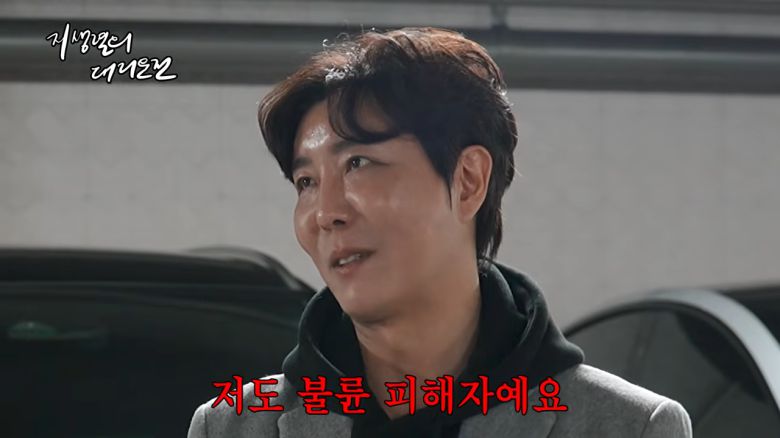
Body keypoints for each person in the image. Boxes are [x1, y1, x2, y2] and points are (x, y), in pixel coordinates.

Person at [187, 27, 692, 438]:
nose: (325, 212)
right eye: (306, 182)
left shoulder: (627, 426)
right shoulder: (233, 425)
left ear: (468, 181)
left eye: (358, 163)